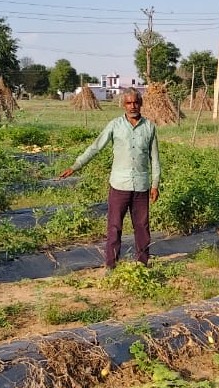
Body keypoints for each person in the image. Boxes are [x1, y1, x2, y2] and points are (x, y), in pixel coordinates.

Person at [61, 88, 160, 269]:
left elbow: (155, 159)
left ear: (141, 104)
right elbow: (95, 147)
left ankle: (143, 263)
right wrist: (75, 166)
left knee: (142, 227)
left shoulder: (149, 127)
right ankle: (111, 265)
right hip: (119, 185)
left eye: (136, 102)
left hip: (141, 185)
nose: (132, 106)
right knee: (114, 227)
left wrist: (155, 184)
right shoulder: (115, 125)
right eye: (129, 103)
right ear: (123, 105)